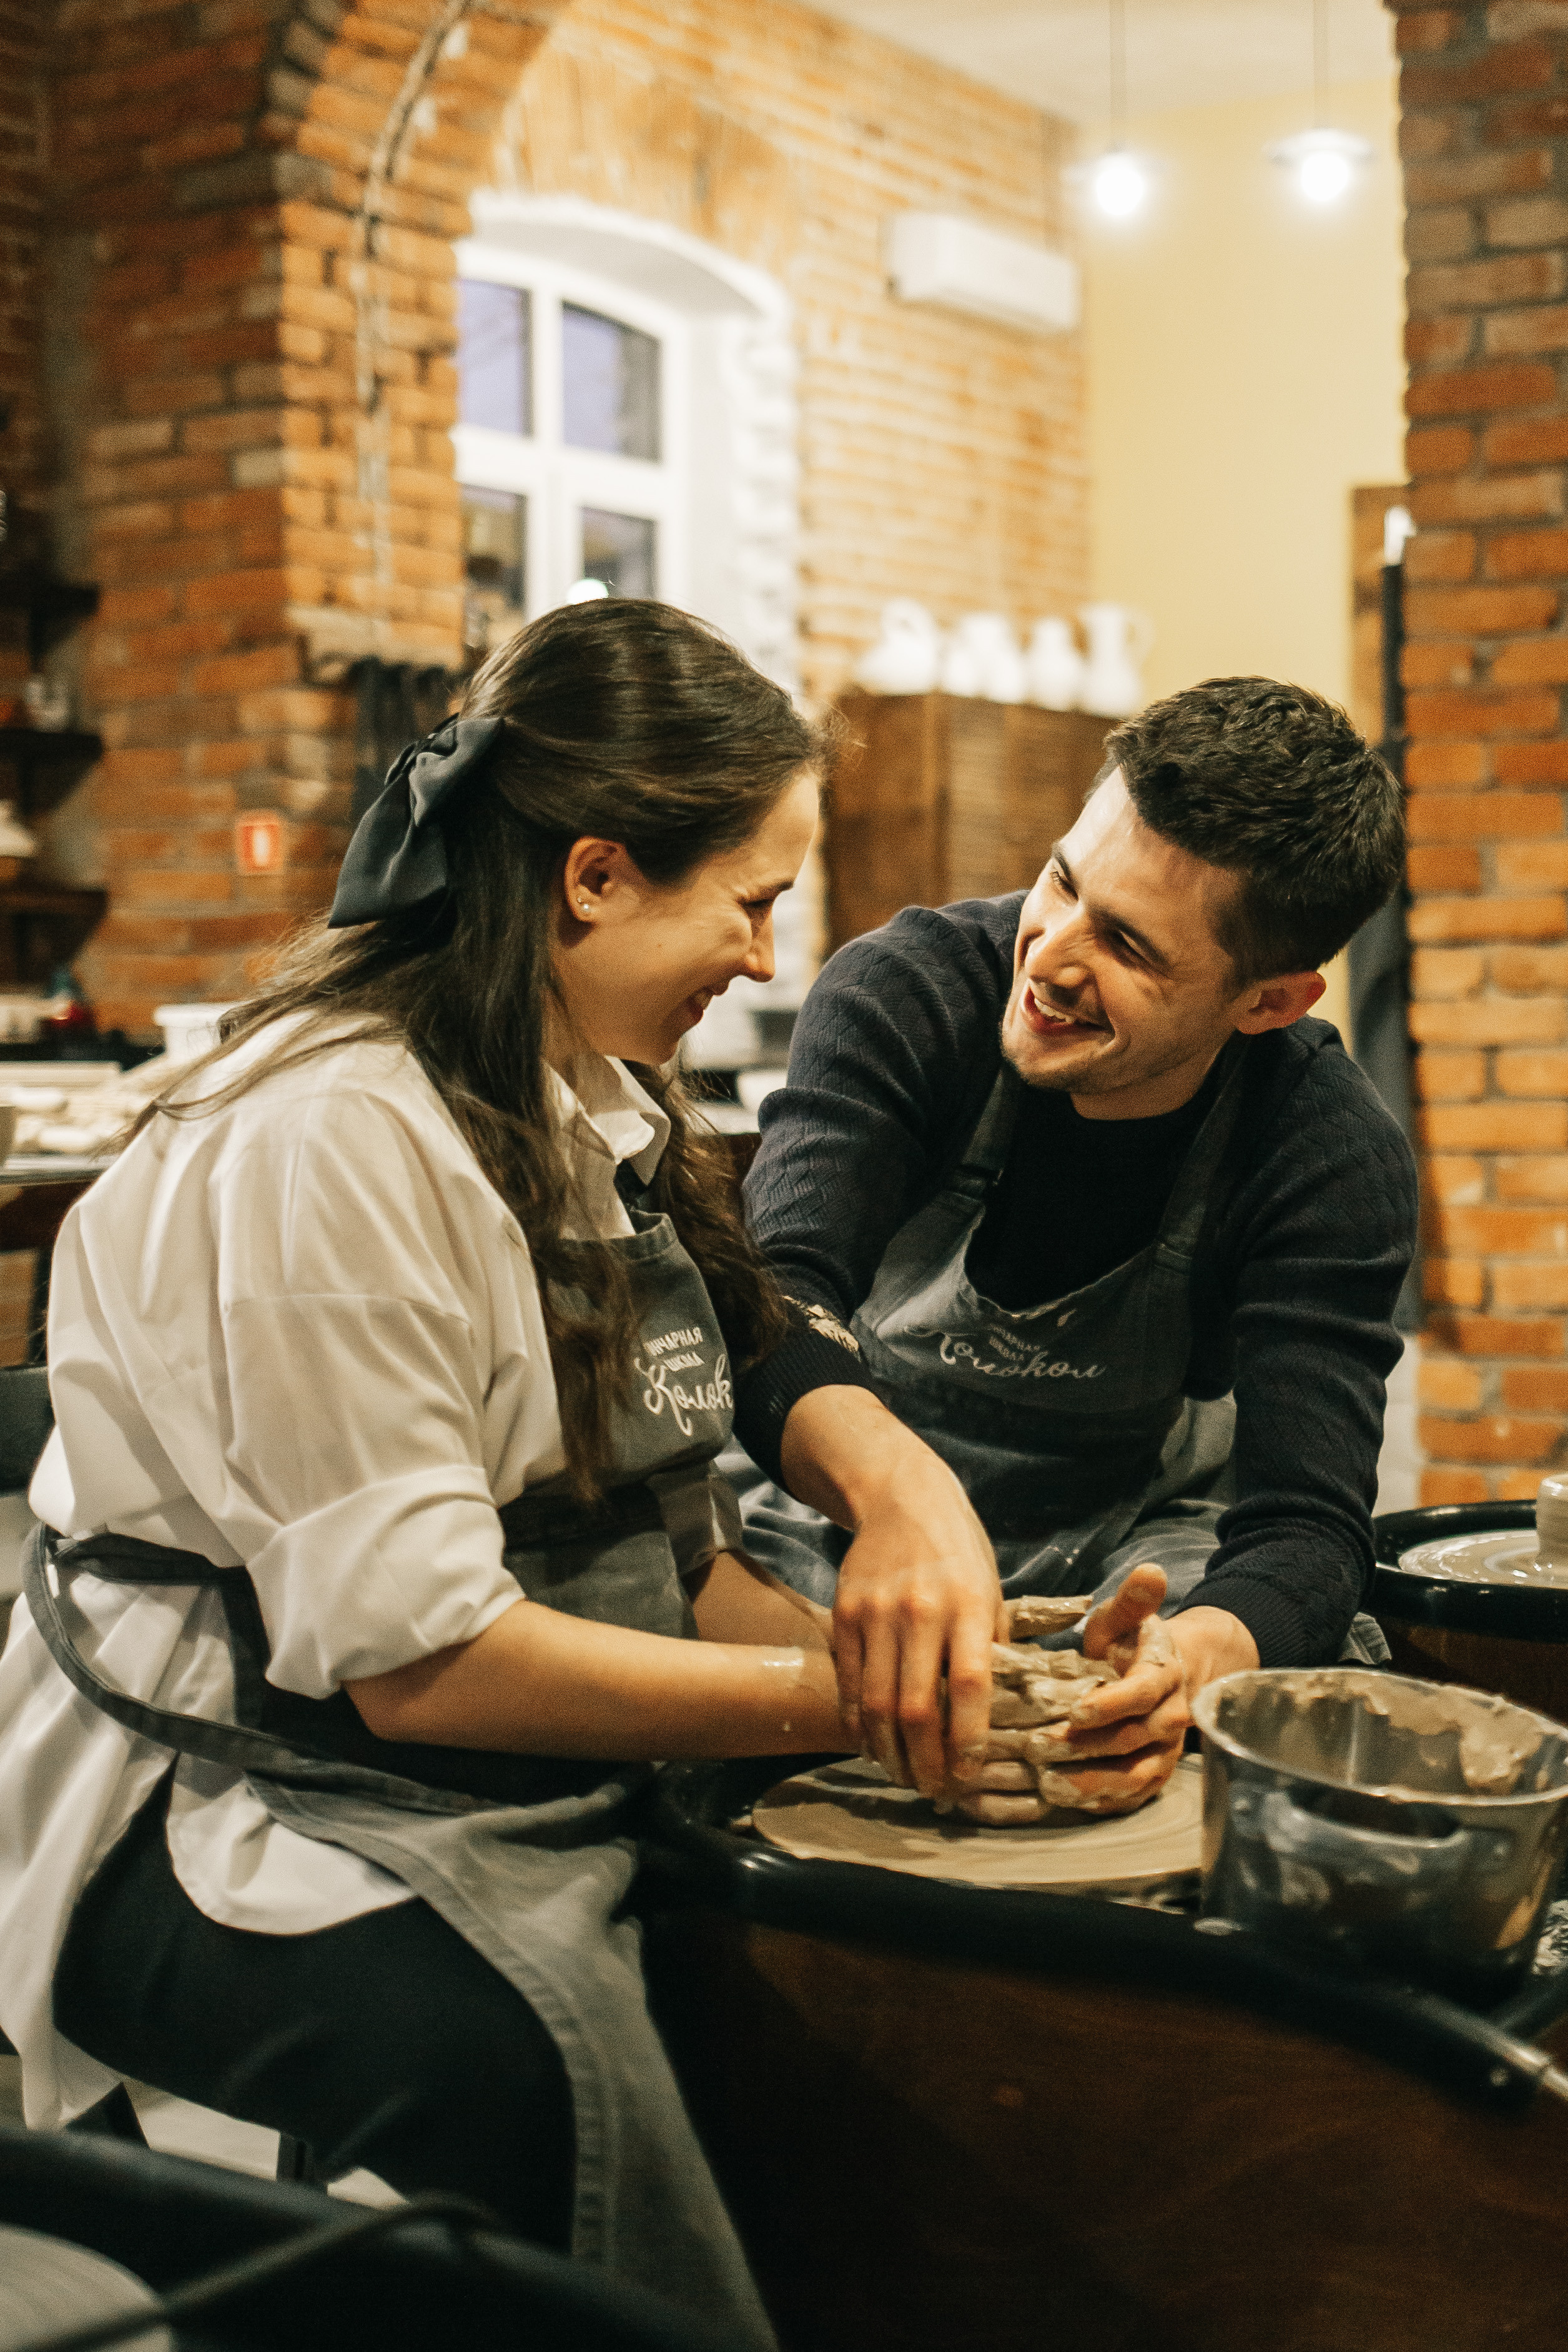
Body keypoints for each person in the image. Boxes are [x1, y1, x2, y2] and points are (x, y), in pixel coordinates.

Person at [0, 600, 873, 2348]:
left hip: (406, 1715)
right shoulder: (337, 1142)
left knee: (819, 1964)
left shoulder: (588, 1109)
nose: (771, 959)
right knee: (511, 2065)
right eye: (755, 899)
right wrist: (839, 1700)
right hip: (221, 1779)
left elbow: (660, 1537)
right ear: (598, 876)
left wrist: (943, 1672)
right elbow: (415, 1662)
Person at [727, 676, 1419, 1825]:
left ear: (1269, 1001)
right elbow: (769, 1300)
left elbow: (1306, 1521)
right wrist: (906, 1499)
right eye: (1063, 880)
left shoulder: (1325, 1148)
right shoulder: (911, 993)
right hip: (836, 1511)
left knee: (1300, 1673)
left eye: (1130, 946)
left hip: (1120, 1554)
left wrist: (1192, 1660)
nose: (1050, 954)